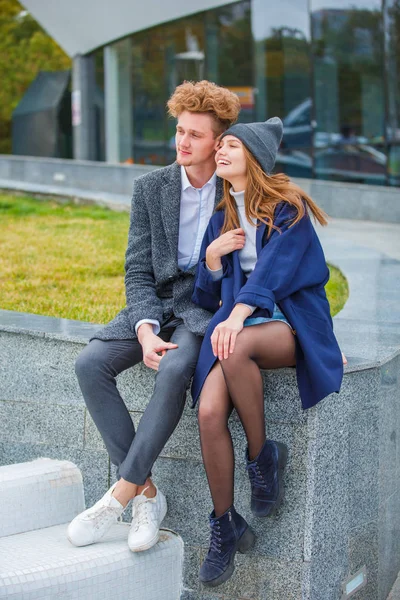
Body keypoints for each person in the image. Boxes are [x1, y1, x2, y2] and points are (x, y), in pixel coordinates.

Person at [67, 81, 241, 552]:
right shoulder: (151, 188)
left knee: (175, 367)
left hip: (201, 310)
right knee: (89, 364)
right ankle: (146, 493)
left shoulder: (236, 191)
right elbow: (137, 269)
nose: (183, 142)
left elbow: (269, 266)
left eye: (195, 135)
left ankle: (117, 496)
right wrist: (144, 331)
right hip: (155, 304)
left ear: (219, 142)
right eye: (179, 131)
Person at [191, 117, 344, 587]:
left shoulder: (287, 207)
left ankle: (262, 457)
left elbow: (273, 274)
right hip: (242, 324)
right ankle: (226, 525)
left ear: (254, 157)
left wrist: (236, 316)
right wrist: (213, 259)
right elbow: (203, 296)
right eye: (221, 146)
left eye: (231, 146)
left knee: (234, 346)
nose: (220, 152)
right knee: (209, 413)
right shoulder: (222, 214)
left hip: (290, 322)